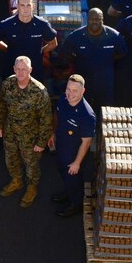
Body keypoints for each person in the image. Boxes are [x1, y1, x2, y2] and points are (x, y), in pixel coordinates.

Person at [0, 56, 54, 207]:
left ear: (30, 70)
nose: (21, 72)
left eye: (24, 69)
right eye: (18, 69)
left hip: (30, 136)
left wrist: (42, 142)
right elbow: (1, 104)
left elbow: (46, 120)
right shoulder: (8, 83)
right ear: (14, 69)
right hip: (10, 132)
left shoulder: (39, 91)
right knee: (11, 159)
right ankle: (16, 181)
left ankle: (31, 187)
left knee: (31, 164)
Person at [60, 9, 127, 110]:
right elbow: (65, 53)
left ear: (102, 20)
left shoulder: (114, 36)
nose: (94, 21)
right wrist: (78, 60)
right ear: (87, 19)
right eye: (92, 19)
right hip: (84, 82)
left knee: (105, 110)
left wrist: (107, 60)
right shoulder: (76, 36)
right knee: (83, 109)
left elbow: (122, 53)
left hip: (105, 82)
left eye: (97, 19)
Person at [50, 74, 95, 217]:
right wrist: (52, 133)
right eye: (68, 89)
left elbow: (86, 142)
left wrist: (77, 163)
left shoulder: (87, 115)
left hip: (74, 154)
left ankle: (75, 205)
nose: (70, 94)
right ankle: (68, 193)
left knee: (74, 180)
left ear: (83, 91)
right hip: (61, 146)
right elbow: (57, 116)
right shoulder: (63, 99)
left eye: (75, 91)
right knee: (63, 174)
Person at [0, 0, 58, 82]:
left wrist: (39, 52)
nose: (25, 9)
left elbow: (53, 43)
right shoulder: (7, 24)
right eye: (22, 5)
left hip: (34, 70)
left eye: (28, 5)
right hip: (12, 70)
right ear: (17, 7)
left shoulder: (42, 24)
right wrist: (8, 49)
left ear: (33, 6)